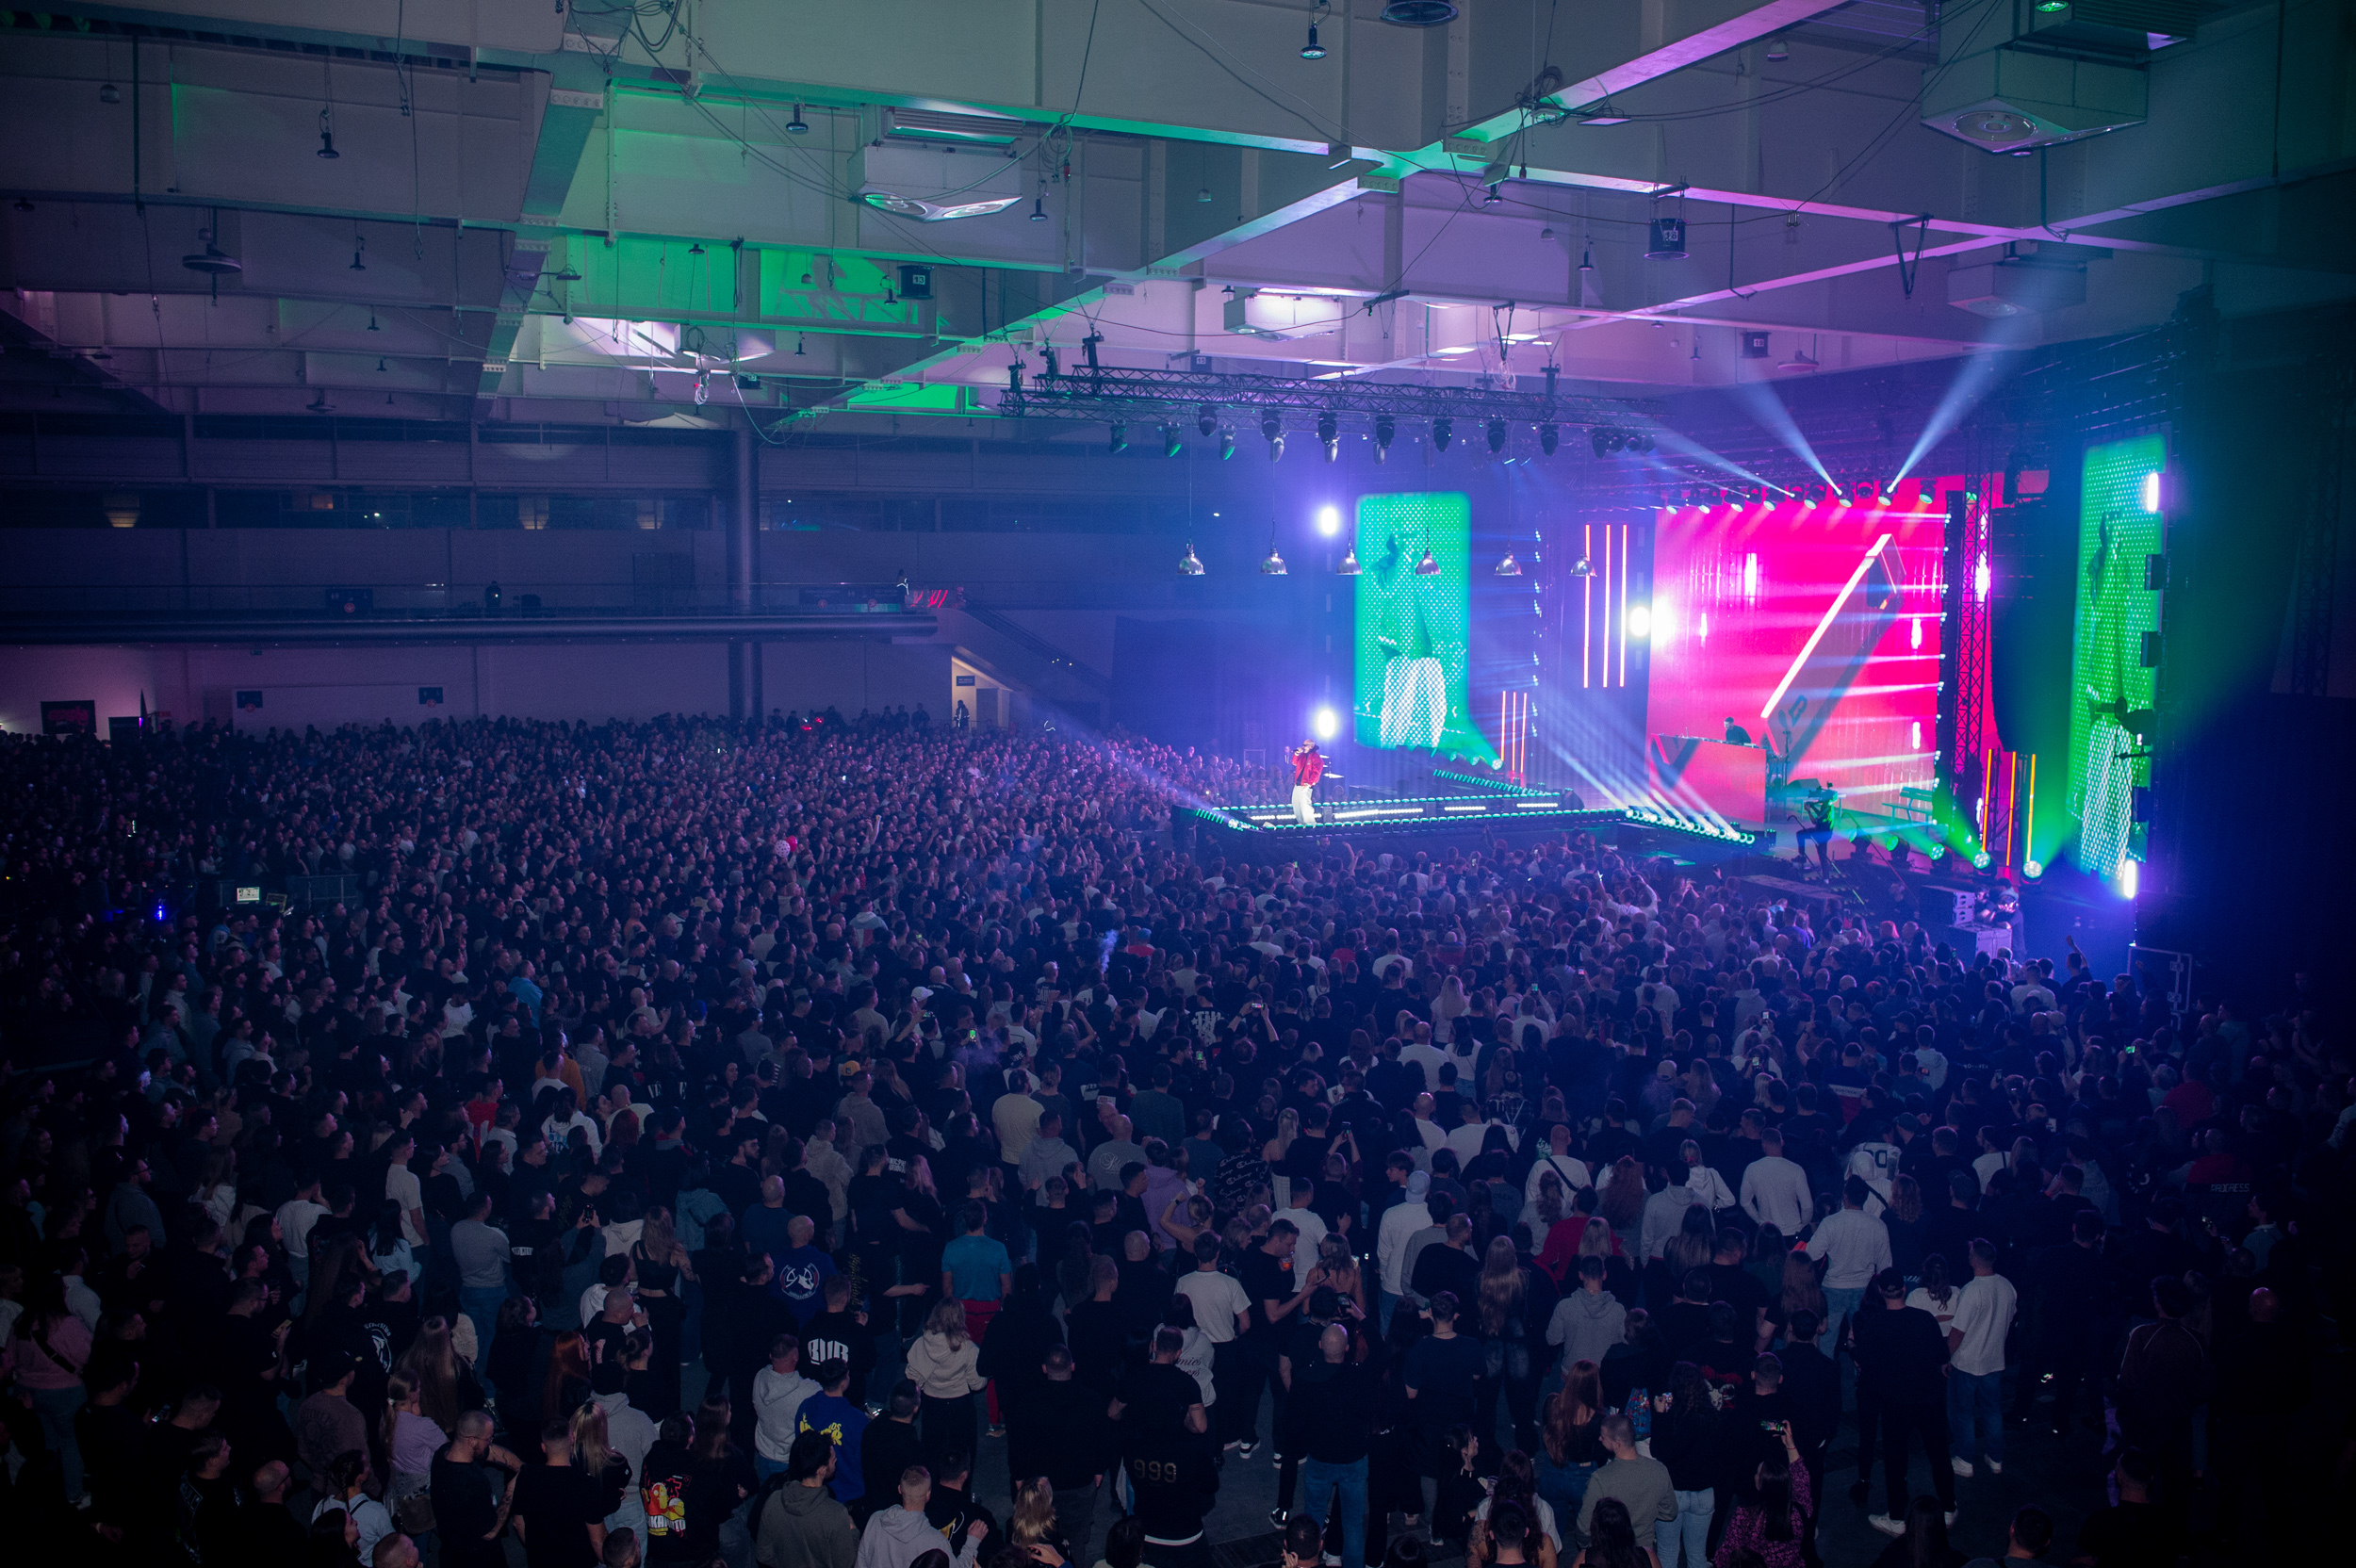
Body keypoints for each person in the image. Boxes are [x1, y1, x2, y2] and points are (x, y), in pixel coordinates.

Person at [1853, 1270, 1954, 1536]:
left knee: (1896, 1458)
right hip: (1929, 1398)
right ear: (1904, 1289)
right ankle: (1949, 1508)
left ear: (1880, 1291)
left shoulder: (1875, 1324)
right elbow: (1942, 1355)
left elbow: (1864, 1361)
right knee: (1938, 1453)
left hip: (1895, 1402)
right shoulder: (1924, 1318)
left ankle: (1897, 1518)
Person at [1294, 1323, 1377, 1568]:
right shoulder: (1360, 1377)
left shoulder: (1305, 1378)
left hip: (1320, 1458)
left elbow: (1293, 1422)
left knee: (1313, 1522)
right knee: (1352, 1525)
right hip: (1353, 1459)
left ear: (1320, 1346)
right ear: (1347, 1348)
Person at [1943, 1239, 2017, 1479]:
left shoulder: (1972, 1290)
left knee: (1963, 1413)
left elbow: (1958, 1332)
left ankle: (1965, 1460)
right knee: (1992, 1411)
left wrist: (1946, 1358)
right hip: (1994, 1361)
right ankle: (1996, 1458)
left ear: (1974, 1259)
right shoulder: (2007, 1286)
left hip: (1967, 1363)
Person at [512, 1414, 611, 1568]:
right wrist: (607, 1561)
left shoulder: (526, 1476)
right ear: (572, 1439)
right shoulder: (586, 1484)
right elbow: (597, 1540)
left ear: (543, 1447)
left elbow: (518, 1523)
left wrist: (535, 1550)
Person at [1710, 1418, 1809, 1568]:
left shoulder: (1746, 1515)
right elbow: (1801, 1481)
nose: (1755, 1475)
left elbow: (1728, 1552)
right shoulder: (1798, 1514)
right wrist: (1790, 1445)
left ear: (1760, 1485)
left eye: (1757, 1473)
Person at [755, 1429, 859, 1568]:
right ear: (821, 1470)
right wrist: (853, 1532)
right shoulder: (836, 1514)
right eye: (833, 1459)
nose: (836, 1460)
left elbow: (764, 1555)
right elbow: (846, 1563)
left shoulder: (773, 1500)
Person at [854, 1464, 988, 1568]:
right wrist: (972, 1542)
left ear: (900, 1489)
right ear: (928, 1495)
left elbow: (861, 1562)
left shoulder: (876, 1520)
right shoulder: (935, 1541)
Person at [1574, 1413, 1672, 1548]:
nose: (1599, 1438)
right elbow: (1669, 1512)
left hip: (1610, 1552)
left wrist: (1588, 1546)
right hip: (1643, 1552)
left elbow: (1584, 1528)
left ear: (1616, 1444)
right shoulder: (1659, 1470)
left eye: (1603, 1436)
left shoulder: (1600, 1478)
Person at [1290, 739, 1325, 825]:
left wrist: (1310, 783)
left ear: (1311, 746)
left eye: (1305, 745)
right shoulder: (1302, 755)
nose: (1303, 747)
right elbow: (1294, 762)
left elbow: (1316, 773)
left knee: (1305, 805)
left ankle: (1310, 824)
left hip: (1306, 785)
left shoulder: (1316, 758)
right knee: (1296, 804)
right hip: (1298, 784)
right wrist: (1296, 754)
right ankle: (1301, 823)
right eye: (1303, 745)